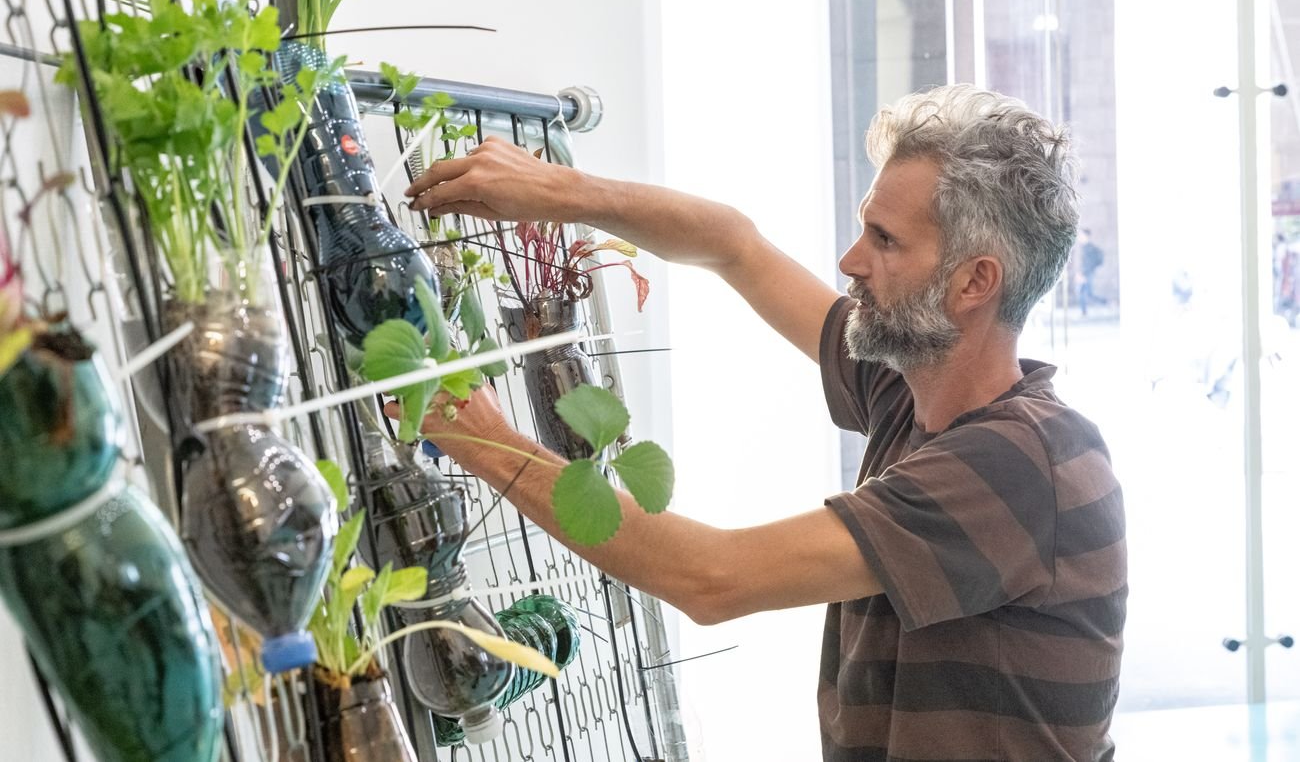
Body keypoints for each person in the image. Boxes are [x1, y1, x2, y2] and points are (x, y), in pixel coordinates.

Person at [403, 84, 1126, 761]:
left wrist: (479, 437)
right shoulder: (914, 385)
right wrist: (562, 191)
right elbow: (734, 245)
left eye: (884, 240)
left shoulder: (1024, 463)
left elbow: (713, 576)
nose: (851, 261)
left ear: (974, 282)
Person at [1075, 228, 1107, 316]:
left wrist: (1083, 274)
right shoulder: (1085, 248)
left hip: (1087, 274)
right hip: (1086, 273)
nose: (1079, 237)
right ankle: (1084, 311)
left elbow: (1089, 263)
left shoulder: (1089, 248)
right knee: (1086, 293)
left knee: (1087, 294)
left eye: (1081, 235)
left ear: (1086, 236)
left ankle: (1105, 303)